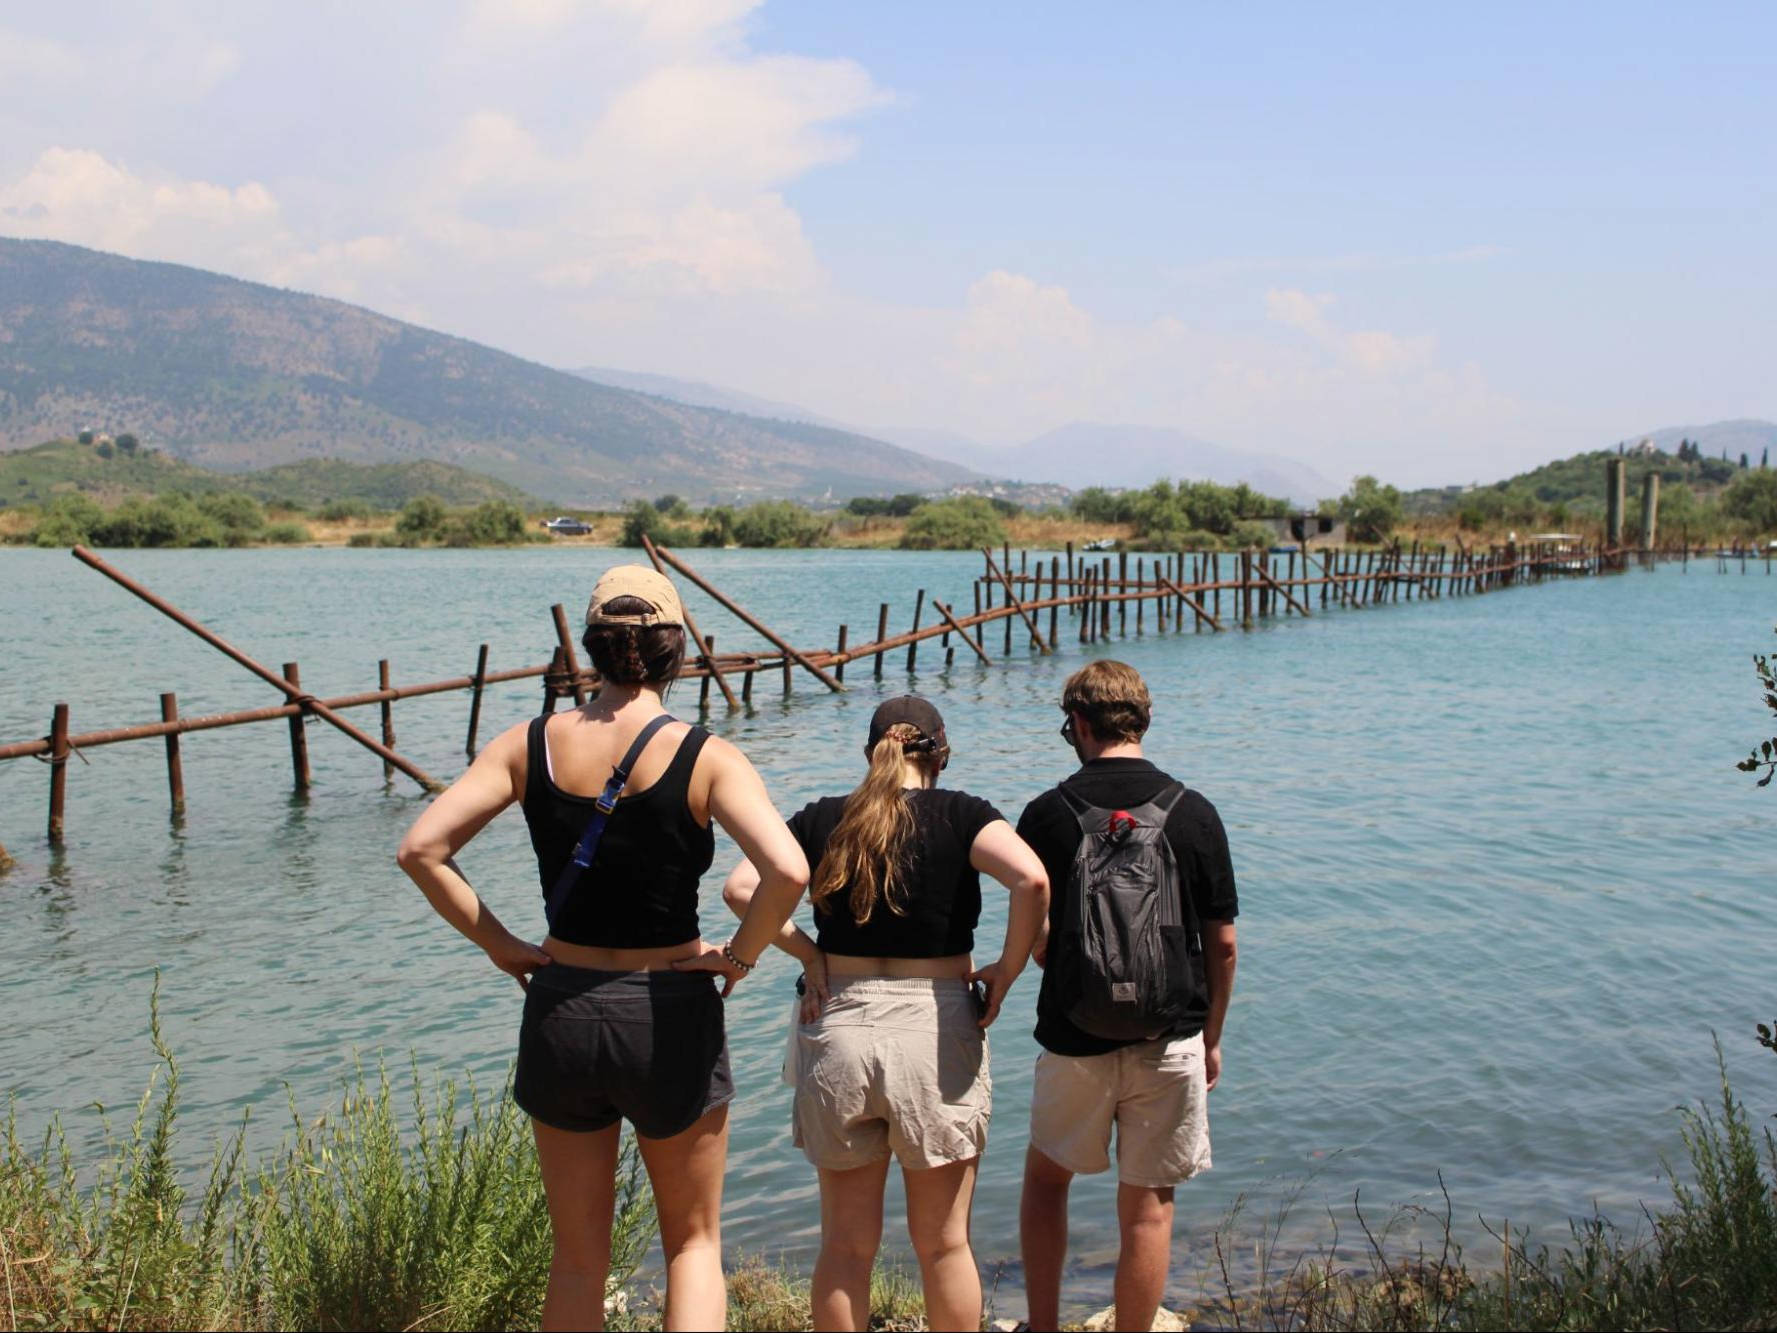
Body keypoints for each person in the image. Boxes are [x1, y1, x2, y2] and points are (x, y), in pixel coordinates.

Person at [396, 565, 809, 1333]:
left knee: (578, 1258)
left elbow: (422, 849)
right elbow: (787, 870)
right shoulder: (706, 754)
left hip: (562, 1005)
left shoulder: (526, 745)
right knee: (691, 1245)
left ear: (589, 648)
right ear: (674, 648)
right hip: (669, 1007)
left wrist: (500, 944)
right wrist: (741, 955)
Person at [722, 696, 1048, 1333]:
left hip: (838, 1023)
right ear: (941, 753)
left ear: (870, 752)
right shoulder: (963, 814)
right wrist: (1006, 973)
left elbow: (740, 889)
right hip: (934, 1029)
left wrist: (810, 954)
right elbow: (1032, 881)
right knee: (944, 1245)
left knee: (844, 1247)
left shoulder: (822, 819)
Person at [1015, 660, 1239, 1332]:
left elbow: (1032, 923)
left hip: (1072, 1035)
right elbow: (1221, 943)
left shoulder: (1045, 813)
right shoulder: (1194, 812)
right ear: (1145, 719)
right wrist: (1212, 1037)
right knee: (1147, 1203)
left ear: (1077, 723)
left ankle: (1044, 1324)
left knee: (1046, 1181)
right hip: (1168, 1033)